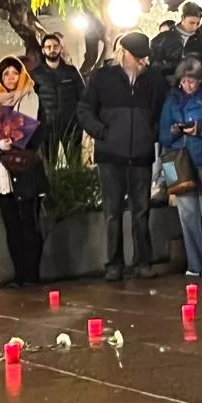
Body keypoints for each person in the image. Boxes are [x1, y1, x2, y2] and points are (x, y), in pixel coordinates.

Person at [80, 32, 168, 281]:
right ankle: (113, 264)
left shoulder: (153, 79)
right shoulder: (102, 77)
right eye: (137, 57)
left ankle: (143, 262)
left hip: (141, 154)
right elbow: (85, 109)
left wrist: (150, 134)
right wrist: (102, 132)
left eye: (144, 57)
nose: (142, 62)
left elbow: (161, 111)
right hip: (110, 155)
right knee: (112, 213)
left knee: (142, 212)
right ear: (124, 53)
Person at [0, 56, 48, 286]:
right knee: (12, 227)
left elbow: (38, 133)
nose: (11, 77)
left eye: (15, 72)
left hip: (25, 169)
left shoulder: (32, 98)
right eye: (6, 74)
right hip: (3, 174)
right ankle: (19, 274)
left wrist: (14, 141)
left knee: (29, 224)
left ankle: (32, 274)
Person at [160, 60, 202, 277]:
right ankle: (194, 264)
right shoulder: (170, 101)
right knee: (187, 215)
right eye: (185, 81)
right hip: (177, 161)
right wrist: (174, 132)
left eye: (193, 81)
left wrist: (201, 129)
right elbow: (162, 135)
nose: (188, 85)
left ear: (200, 80)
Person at [30, 33, 86, 157]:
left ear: (60, 48)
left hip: (71, 125)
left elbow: (83, 96)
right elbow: (31, 101)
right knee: (48, 163)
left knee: (75, 162)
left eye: (55, 46)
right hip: (46, 127)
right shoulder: (35, 74)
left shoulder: (71, 71)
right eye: (48, 47)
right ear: (43, 50)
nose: (52, 49)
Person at [151, 0, 202, 88]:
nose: (195, 27)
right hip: (168, 86)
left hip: (194, 87)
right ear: (182, 18)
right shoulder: (163, 38)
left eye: (198, 23)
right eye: (191, 23)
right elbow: (154, 66)